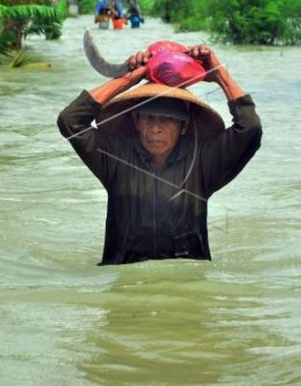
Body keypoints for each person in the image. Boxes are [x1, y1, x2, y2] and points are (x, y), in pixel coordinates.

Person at [57, 45, 262, 265]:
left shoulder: (203, 162)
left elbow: (249, 128)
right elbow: (70, 121)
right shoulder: (115, 157)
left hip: (187, 282)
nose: (156, 128)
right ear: (136, 121)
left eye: (167, 119)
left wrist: (219, 73)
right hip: (124, 282)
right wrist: (129, 79)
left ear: (183, 125)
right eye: (149, 118)